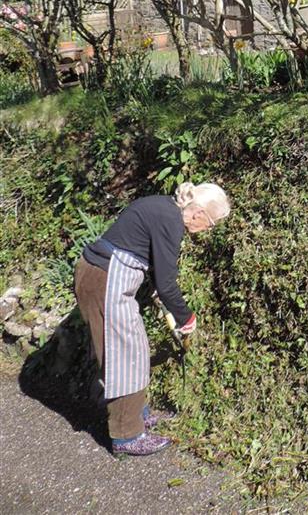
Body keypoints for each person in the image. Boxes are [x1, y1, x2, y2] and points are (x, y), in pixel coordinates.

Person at [74, 181, 230, 456]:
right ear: (199, 214)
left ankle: (136, 415)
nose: (208, 231)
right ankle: (127, 435)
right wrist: (186, 317)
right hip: (105, 280)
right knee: (123, 355)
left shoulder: (163, 208)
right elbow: (167, 282)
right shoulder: (170, 219)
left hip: (104, 277)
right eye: (212, 224)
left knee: (134, 349)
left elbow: (149, 262)